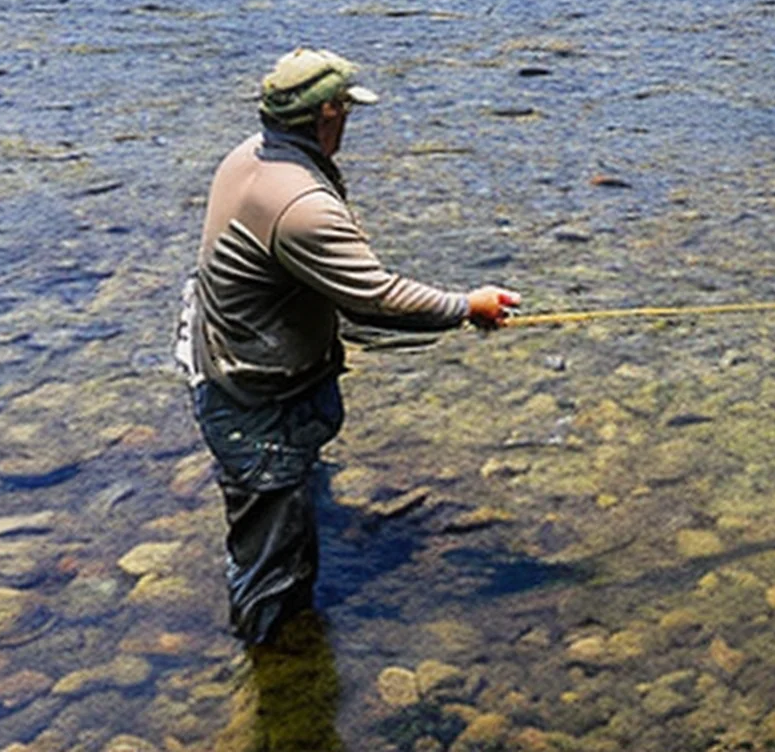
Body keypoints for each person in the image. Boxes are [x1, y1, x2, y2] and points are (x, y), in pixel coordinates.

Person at [178, 46, 519, 648]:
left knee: (283, 520)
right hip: (257, 402)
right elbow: (376, 299)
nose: (349, 123)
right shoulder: (301, 205)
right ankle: (277, 670)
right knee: (271, 569)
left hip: (225, 357)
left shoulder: (249, 157)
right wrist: (468, 306)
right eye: (346, 111)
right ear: (327, 114)